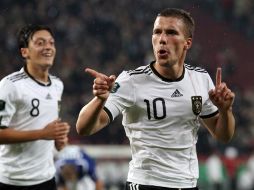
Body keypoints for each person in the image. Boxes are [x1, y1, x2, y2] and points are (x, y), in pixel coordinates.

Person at [76, 8, 235, 190]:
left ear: (187, 43)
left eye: (171, 32)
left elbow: (223, 135)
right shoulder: (131, 81)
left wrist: (225, 110)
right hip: (146, 183)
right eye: (157, 32)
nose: (162, 39)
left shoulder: (200, 79)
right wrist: (99, 100)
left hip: (187, 184)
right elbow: (83, 128)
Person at [0, 24, 70, 190]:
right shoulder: (10, 85)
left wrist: (59, 139)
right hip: (13, 181)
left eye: (51, 43)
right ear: (25, 52)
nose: (48, 47)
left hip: (46, 179)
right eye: (40, 43)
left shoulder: (57, 85)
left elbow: (49, 128)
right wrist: (42, 134)